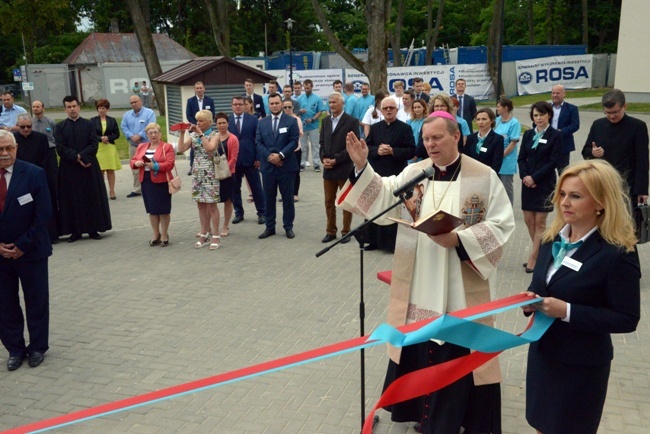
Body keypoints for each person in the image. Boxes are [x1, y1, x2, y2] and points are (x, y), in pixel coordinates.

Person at [337, 112, 515, 434]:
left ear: (456, 136)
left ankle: (456, 419)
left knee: (459, 351)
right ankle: (424, 415)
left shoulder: (483, 176)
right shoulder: (415, 172)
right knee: (419, 346)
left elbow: (503, 224)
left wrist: (458, 239)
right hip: (420, 279)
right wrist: (363, 167)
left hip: (460, 282)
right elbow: (382, 196)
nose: (430, 144)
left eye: (437, 137)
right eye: (426, 138)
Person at [522, 159, 640, 434]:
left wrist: (567, 311)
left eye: (575, 196)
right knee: (540, 425)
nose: (564, 203)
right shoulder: (552, 238)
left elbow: (627, 318)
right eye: (562, 194)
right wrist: (530, 300)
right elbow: (543, 285)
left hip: (581, 366)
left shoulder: (617, 253)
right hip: (543, 356)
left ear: (600, 202)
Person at [0, 130, 52, 371]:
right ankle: (15, 349)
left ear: (16, 148)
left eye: (9, 148)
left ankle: (38, 347)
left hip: (31, 252)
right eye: (0, 150)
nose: (4, 153)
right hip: (0, 255)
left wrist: (22, 245)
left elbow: (43, 215)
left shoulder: (34, 174)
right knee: (5, 303)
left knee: (36, 300)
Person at [55, 96, 112, 242]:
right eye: (69, 107)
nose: (72, 109)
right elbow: (60, 148)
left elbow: (94, 144)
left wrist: (82, 156)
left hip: (89, 166)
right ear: (65, 109)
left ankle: (93, 229)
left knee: (91, 197)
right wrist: (76, 157)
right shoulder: (60, 127)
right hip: (69, 168)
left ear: (79, 107)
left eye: (74, 106)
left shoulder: (89, 124)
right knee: (72, 199)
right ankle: (75, 231)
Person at [363, 96, 416, 252]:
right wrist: (376, 150)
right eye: (385, 108)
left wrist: (393, 151)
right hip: (378, 173)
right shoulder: (375, 128)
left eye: (391, 108)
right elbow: (367, 148)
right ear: (381, 110)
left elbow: (411, 150)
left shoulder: (405, 128)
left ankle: (391, 243)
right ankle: (372, 240)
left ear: (396, 110)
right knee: (375, 205)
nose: (388, 111)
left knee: (393, 208)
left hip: (396, 173)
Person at [581, 89, 649, 206]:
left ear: (625, 106)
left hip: (626, 185)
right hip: (601, 183)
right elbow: (585, 151)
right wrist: (593, 153)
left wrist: (641, 190)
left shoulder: (638, 127)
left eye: (615, 112)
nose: (611, 116)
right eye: (607, 112)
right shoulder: (598, 125)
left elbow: (642, 161)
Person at [518, 101, 562, 272]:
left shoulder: (556, 135)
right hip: (527, 183)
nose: (538, 118)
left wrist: (535, 177)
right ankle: (542, 253)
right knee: (529, 221)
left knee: (540, 221)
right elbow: (521, 158)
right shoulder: (528, 134)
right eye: (535, 115)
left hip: (544, 183)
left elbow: (554, 161)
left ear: (548, 115)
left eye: (541, 115)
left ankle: (534, 257)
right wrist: (525, 177)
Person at [256, 93, 300, 239]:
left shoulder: (291, 121)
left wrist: (280, 155)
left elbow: (294, 141)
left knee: (287, 198)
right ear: (268, 105)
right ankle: (270, 227)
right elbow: (258, 143)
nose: (274, 106)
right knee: (269, 198)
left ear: (281, 104)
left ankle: (288, 227)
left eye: (276, 103)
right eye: (272, 103)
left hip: (286, 166)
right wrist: (270, 157)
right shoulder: (262, 122)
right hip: (268, 168)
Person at [177, 110, 222, 250]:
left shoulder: (215, 135)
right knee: (201, 205)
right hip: (197, 173)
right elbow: (181, 148)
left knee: (212, 205)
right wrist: (183, 133)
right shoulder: (194, 134)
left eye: (201, 121)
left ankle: (216, 234)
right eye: (197, 121)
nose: (198, 123)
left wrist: (201, 134)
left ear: (209, 122)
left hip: (210, 173)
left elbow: (210, 148)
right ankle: (204, 232)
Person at [319, 92, 359, 243]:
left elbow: (352, 146)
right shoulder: (326, 121)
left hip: (344, 168)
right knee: (329, 201)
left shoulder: (351, 121)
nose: (331, 105)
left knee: (346, 201)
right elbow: (322, 143)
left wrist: (336, 160)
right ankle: (330, 231)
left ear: (342, 103)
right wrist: (324, 158)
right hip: (328, 169)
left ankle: (346, 231)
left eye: (334, 102)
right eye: (329, 102)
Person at [13, 114, 60, 243]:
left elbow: (46, 158)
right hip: (19, 178)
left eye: (29, 126)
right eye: (23, 127)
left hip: (37, 176)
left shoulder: (41, 138)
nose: (26, 129)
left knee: (43, 205)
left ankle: (51, 235)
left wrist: (35, 173)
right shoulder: (13, 139)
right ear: (17, 126)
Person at [130, 123, 175, 247]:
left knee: (163, 210)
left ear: (160, 134)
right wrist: (137, 163)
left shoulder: (167, 147)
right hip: (146, 181)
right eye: (150, 133)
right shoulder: (142, 146)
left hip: (161, 182)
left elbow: (170, 164)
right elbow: (132, 161)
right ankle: (156, 234)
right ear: (147, 135)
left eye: (155, 132)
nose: (153, 135)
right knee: (152, 210)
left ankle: (164, 234)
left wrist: (155, 166)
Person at [229, 96, 265, 225]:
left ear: (245, 106)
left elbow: (258, 139)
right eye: (235, 104)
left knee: (256, 188)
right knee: (235, 189)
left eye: (240, 104)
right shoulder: (228, 120)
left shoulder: (253, 120)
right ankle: (239, 213)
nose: (238, 106)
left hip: (250, 159)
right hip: (234, 161)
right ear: (232, 106)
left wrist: (258, 157)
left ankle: (262, 213)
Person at [121, 95, 156, 198]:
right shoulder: (127, 115)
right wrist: (131, 136)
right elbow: (123, 126)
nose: (134, 104)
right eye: (131, 103)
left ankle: (151, 187)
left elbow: (151, 126)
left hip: (147, 145)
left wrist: (140, 135)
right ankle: (137, 189)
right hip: (133, 145)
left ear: (140, 101)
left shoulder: (149, 113)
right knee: (135, 167)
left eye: (135, 102)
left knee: (149, 166)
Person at [213, 112, 239, 237]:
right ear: (216, 124)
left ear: (228, 124)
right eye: (219, 123)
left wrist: (224, 170)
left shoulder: (233, 138)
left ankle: (225, 226)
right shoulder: (213, 137)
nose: (222, 125)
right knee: (212, 202)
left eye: (224, 123)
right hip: (214, 174)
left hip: (228, 174)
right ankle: (212, 227)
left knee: (228, 201)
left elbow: (233, 158)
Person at [90, 99, 121, 200]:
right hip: (99, 147)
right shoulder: (92, 120)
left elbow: (117, 134)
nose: (101, 110)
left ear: (107, 109)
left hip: (109, 147)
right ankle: (101, 191)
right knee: (100, 170)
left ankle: (112, 190)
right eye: (99, 108)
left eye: (103, 108)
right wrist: (100, 138)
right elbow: (91, 134)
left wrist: (108, 138)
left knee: (110, 170)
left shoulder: (112, 120)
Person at [494, 97, 521, 205]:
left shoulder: (514, 123)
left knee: (506, 186)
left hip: (507, 159)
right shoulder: (497, 120)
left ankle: (508, 208)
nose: (497, 109)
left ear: (505, 108)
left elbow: (513, 143)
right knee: (496, 186)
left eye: (499, 107)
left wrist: (501, 155)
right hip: (497, 158)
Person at [186, 81, 215, 176]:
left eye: (201, 88)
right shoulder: (190, 101)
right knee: (194, 146)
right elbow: (189, 115)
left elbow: (212, 114)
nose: (199, 90)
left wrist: (205, 124)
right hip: (194, 127)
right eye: (197, 88)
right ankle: (192, 166)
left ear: (204, 89)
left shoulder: (209, 100)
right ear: (194, 89)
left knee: (207, 145)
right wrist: (196, 125)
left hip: (206, 129)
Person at [298, 79, 327, 172]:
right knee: (303, 146)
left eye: (308, 88)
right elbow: (295, 111)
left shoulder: (317, 98)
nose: (306, 89)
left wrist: (313, 119)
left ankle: (316, 164)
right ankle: (302, 163)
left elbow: (320, 111)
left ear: (312, 87)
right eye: (305, 88)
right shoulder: (300, 98)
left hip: (313, 125)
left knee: (315, 145)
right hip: (302, 126)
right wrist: (300, 111)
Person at [463, 107, 503, 174]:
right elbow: (466, 159)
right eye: (478, 119)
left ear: (492, 120)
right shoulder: (470, 138)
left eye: (484, 119)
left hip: (488, 177)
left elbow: (496, 163)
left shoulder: (498, 139)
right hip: (471, 176)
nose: (480, 122)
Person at [550, 84, 580, 173]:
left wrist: (560, 132)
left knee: (563, 172)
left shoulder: (572, 109)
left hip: (563, 144)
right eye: (553, 93)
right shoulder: (546, 107)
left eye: (558, 93)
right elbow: (536, 122)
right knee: (547, 171)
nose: (555, 95)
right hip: (548, 144)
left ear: (564, 94)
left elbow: (575, 125)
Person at [281, 98, 303, 202]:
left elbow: (298, 134)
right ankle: (284, 194)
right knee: (283, 173)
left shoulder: (296, 119)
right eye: (285, 107)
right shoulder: (280, 119)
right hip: (283, 151)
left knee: (295, 172)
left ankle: (295, 193)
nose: (287, 109)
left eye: (289, 107)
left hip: (295, 150)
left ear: (293, 107)